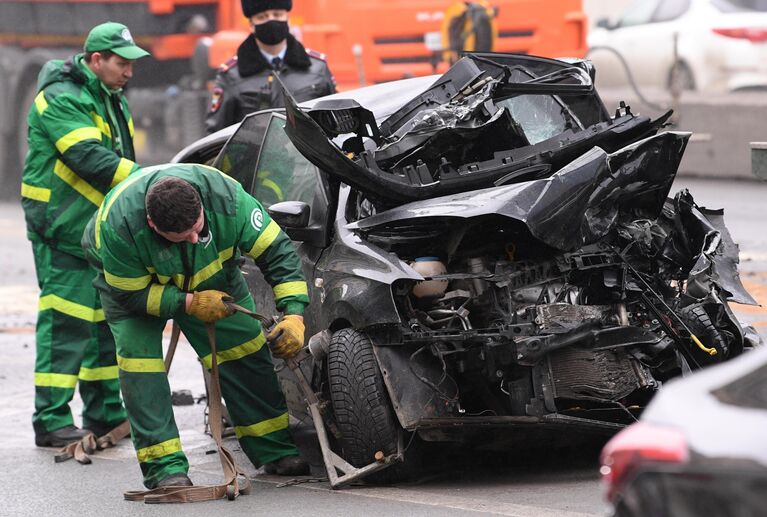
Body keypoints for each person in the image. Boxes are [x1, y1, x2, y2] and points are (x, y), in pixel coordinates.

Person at [81, 163, 310, 488]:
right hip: (135, 289)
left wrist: (294, 315)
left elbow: (278, 252)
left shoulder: (228, 201)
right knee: (140, 364)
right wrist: (189, 303)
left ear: (201, 206)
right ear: (151, 224)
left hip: (215, 277)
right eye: (180, 237)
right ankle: (165, 469)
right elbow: (131, 296)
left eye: (198, 230)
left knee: (245, 347)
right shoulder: (119, 228)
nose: (193, 239)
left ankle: (274, 449)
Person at [20, 21, 148, 447]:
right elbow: (89, 158)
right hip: (62, 227)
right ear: (96, 60)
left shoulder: (111, 98)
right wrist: (148, 182)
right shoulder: (61, 98)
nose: (129, 71)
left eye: (132, 62)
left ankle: (104, 412)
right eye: (120, 62)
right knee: (66, 325)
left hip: (96, 231)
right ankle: (51, 419)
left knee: (101, 326)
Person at [205, 0, 336, 133]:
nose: (271, 21)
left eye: (277, 14)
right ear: (251, 24)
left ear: (287, 18)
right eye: (262, 17)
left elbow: (336, 122)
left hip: (307, 154)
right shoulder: (232, 76)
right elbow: (216, 134)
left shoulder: (317, 68)